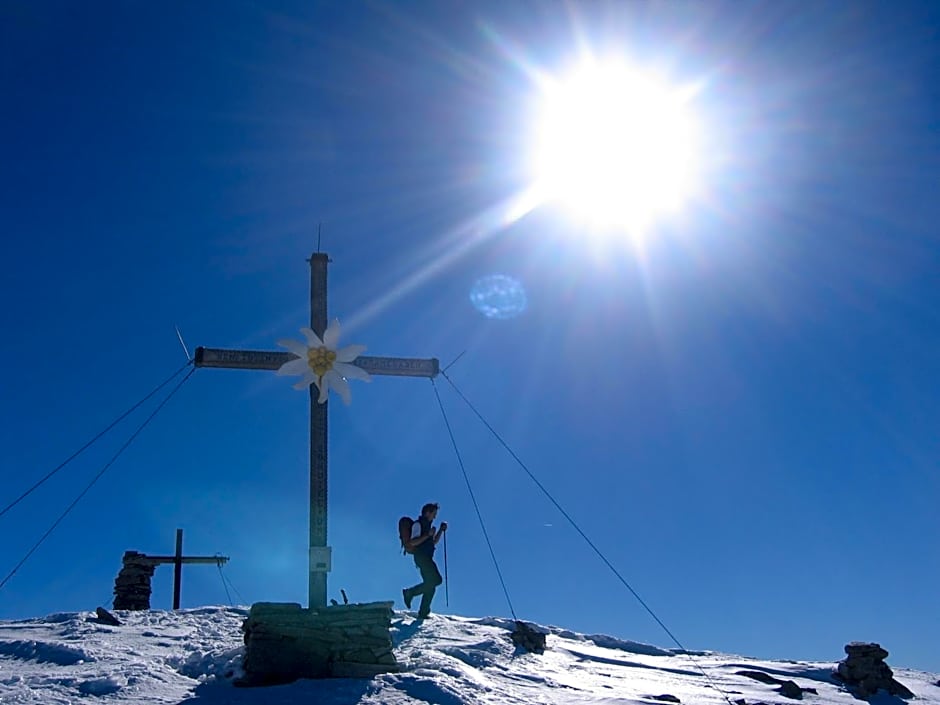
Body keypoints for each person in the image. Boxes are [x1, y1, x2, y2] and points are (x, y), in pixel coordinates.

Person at [402, 502, 447, 619]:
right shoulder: (418, 524)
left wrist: (440, 531)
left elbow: (433, 542)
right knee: (437, 580)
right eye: (434, 514)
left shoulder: (427, 526)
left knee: (430, 584)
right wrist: (428, 534)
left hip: (426, 557)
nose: (435, 517)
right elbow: (413, 542)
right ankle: (410, 592)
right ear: (427, 512)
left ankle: (423, 612)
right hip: (422, 557)